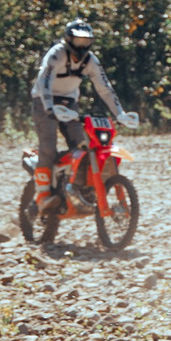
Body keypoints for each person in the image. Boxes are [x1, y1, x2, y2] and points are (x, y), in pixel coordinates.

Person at [30, 21, 136, 204]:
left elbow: (104, 88)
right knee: (48, 146)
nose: (81, 46)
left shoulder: (91, 60)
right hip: (44, 100)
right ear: (68, 39)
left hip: (69, 102)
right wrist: (49, 107)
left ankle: (78, 186)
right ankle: (43, 195)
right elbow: (44, 81)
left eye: (85, 42)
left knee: (82, 146)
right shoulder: (56, 54)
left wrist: (119, 113)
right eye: (78, 41)